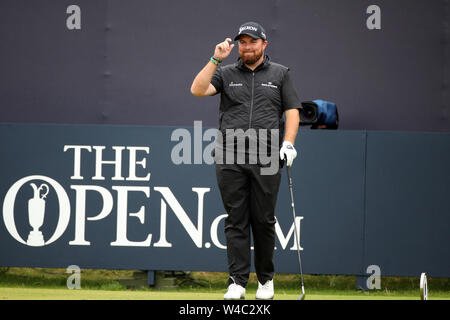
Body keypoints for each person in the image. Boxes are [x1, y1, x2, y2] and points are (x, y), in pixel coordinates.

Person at [190, 22, 301, 300]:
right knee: (236, 220)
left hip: (267, 155)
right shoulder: (226, 73)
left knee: (263, 220)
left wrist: (288, 143)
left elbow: (292, 111)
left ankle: (265, 281)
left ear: (264, 44)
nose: (247, 47)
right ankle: (237, 283)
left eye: (252, 42)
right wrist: (216, 58)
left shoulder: (280, 74)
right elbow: (197, 90)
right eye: (243, 42)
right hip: (230, 155)